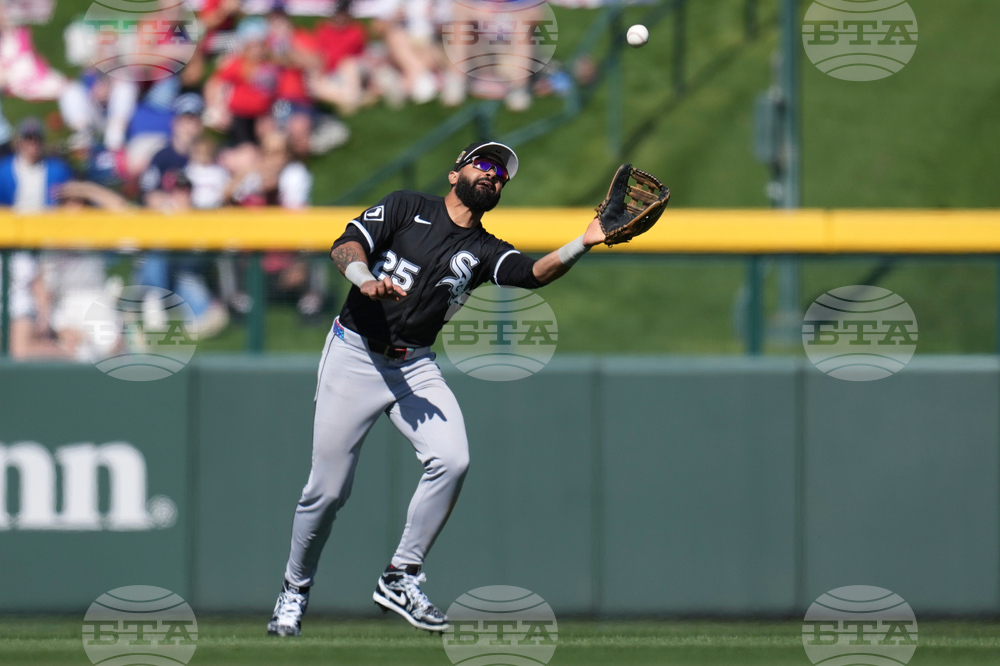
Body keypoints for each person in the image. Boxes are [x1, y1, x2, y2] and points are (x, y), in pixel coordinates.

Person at [267, 140, 608, 636]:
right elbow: (346, 243)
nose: (493, 174)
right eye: (484, 163)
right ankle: (294, 590)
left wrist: (584, 240)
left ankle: (401, 575)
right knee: (327, 490)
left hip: (415, 366)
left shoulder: (484, 248)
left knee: (453, 459)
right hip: (355, 353)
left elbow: (532, 274)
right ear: (455, 173)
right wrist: (362, 277)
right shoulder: (408, 207)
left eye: (502, 173)